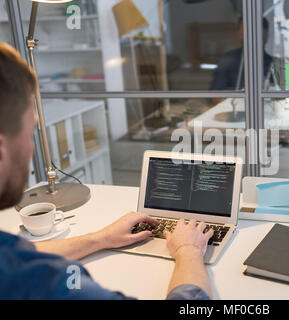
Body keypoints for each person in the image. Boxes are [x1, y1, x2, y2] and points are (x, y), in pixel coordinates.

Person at [0, 43, 214, 300]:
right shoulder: (46, 285)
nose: (31, 147)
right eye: (31, 130)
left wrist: (100, 239)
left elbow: (18, 256)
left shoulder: (12, 260)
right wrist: (189, 251)